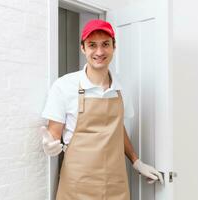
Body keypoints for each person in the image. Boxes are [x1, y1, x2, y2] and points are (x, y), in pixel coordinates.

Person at [41, 19, 163, 200]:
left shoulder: (122, 87)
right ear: (83, 48)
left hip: (115, 184)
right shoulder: (64, 86)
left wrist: (136, 162)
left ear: (114, 47)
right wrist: (49, 146)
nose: (99, 52)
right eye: (92, 45)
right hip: (77, 185)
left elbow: (117, 129)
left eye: (105, 44)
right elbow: (53, 134)